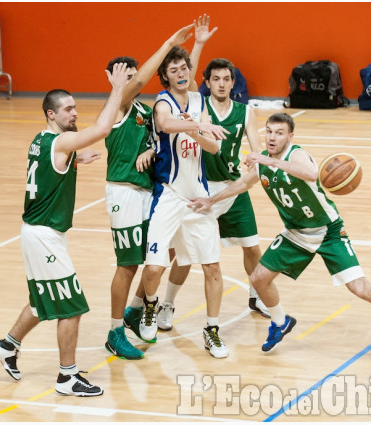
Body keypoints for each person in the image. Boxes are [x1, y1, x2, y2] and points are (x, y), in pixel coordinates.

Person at [189, 112, 371, 357]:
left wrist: (272, 161)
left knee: (359, 287)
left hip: (328, 231)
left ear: (290, 136)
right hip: (295, 233)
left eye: (279, 133)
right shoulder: (263, 161)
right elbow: (242, 184)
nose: (272, 137)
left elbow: (311, 174)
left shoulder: (296, 154)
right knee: (259, 278)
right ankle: (280, 322)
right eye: (269, 131)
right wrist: (211, 200)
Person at [0, 63, 128, 397]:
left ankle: (8, 345)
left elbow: (48, 172)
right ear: (51, 114)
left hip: (35, 232)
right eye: (68, 109)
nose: (75, 113)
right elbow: (104, 127)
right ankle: (67, 377)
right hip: (43, 236)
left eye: (75, 107)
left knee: (42, 302)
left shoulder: (41, 141)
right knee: (72, 306)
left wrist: (76, 162)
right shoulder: (62, 141)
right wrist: (118, 88)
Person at [156, 54, 271, 332]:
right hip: (202, 188)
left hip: (232, 187)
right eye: (215, 79)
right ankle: (168, 304)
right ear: (207, 82)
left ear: (234, 83)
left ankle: (257, 296)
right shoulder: (199, 104)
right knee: (186, 255)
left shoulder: (245, 112)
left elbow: (256, 146)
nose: (221, 84)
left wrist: (257, 158)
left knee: (251, 246)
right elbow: (188, 77)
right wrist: (198, 44)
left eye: (226, 79)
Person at [101, 23, 195, 361]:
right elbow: (141, 82)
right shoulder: (117, 106)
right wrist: (170, 41)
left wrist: (152, 150)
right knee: (128, 265)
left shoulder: (144, 110)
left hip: (149, 193)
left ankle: (135, 309)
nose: (128, 80)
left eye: (130, 74)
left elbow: (162, 137)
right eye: (121, 75)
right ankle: (114, 331)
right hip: (124, 193)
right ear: (111, 78)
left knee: (164, 252)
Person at [136, 42, 231, 358]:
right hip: (168, 197)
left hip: (197, 198)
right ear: (164, 76)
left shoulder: (197, 99)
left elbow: (213, 149)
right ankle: (150, 306)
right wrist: (196, 125)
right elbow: (166, 124)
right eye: (173, 69)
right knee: (153, 269)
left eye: (184, 68)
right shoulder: (161, 102)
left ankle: (212, 330)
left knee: (212, 267)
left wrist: (200, 131)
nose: (180, 73)